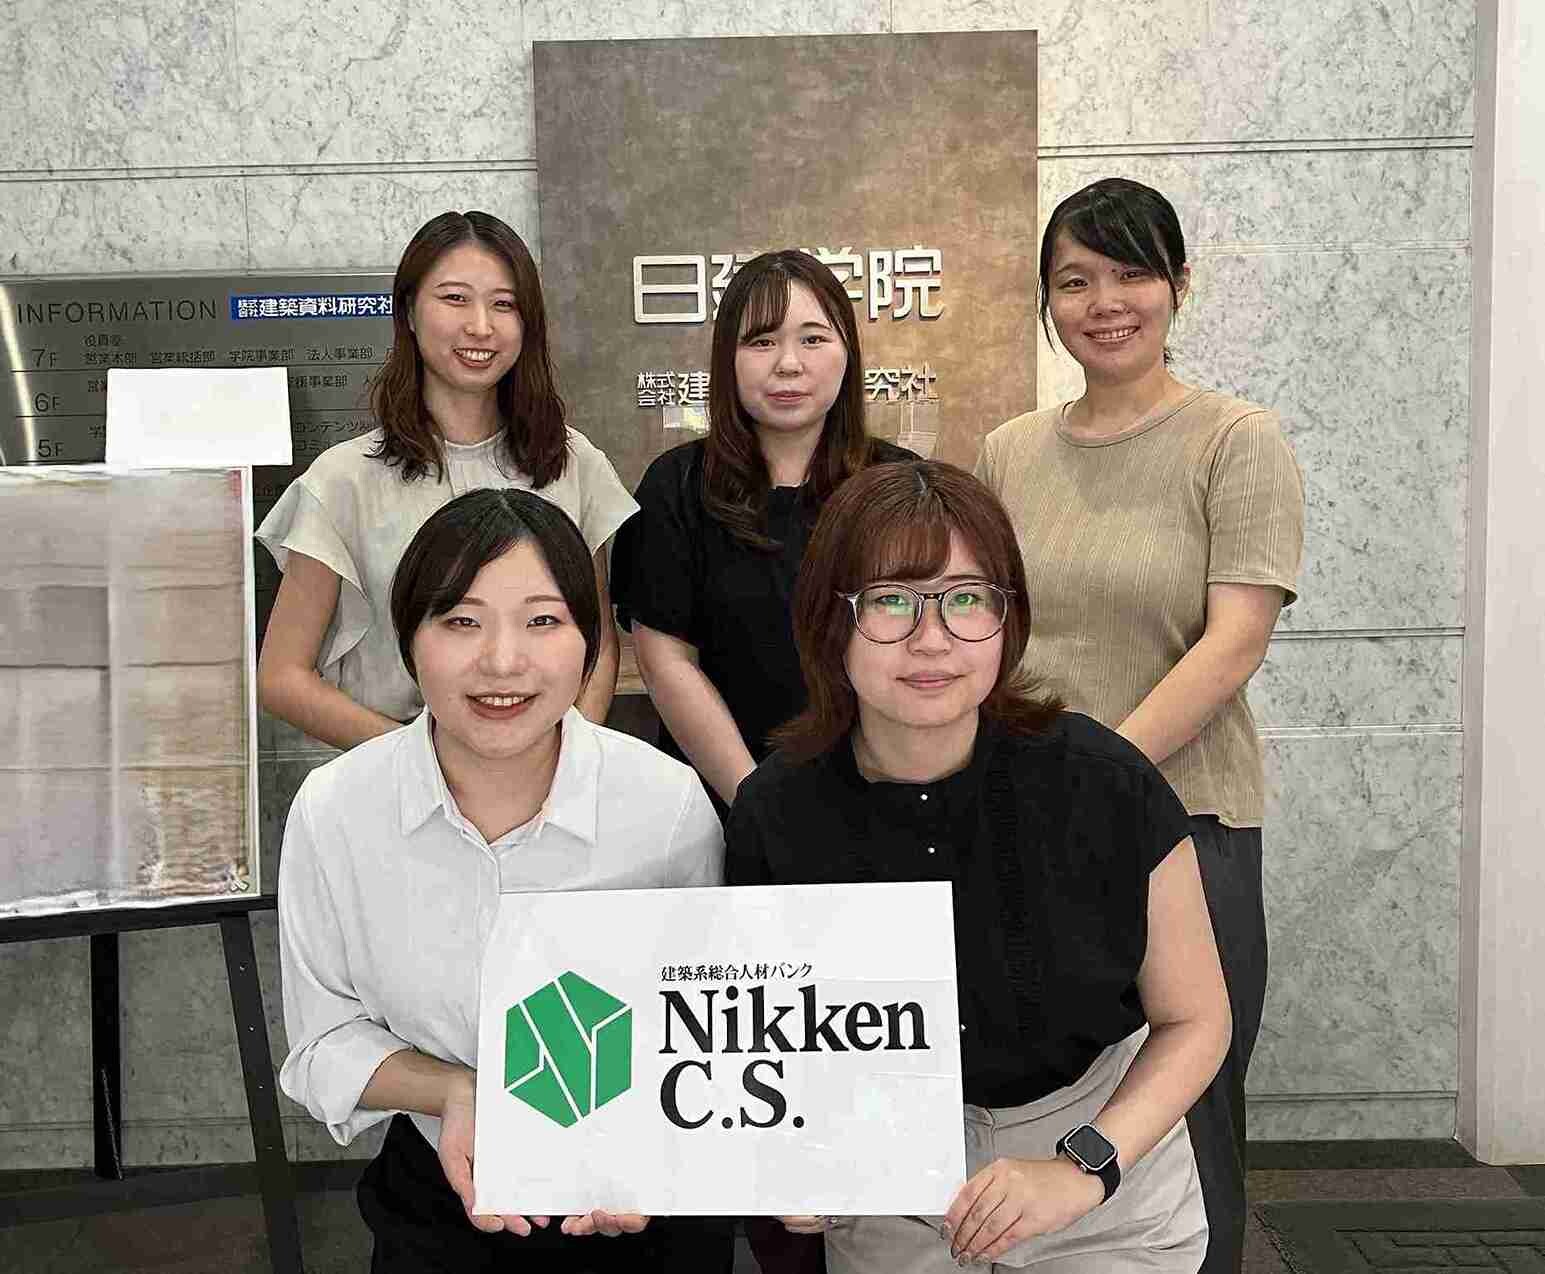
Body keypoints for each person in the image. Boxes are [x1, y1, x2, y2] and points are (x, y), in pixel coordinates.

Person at [727, 460, 1231, 1273]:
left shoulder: (1104, 780)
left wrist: (1082, 1167)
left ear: (1007, 617)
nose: (931, 639)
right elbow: (764, 1040)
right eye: (889, 600)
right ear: (829, 619)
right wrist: (792, 1159)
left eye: (965, 599)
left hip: (1102, 1179)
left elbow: (1195, 1020)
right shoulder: (774, 810)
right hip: (891, 1191)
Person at [975, 177, 1305, 1274]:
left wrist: (1097, 774)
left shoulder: (1235, 440)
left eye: (1130, 273)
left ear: (1178, 284)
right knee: (1058, 1099)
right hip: (1025, 821)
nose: (1103, 302)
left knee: (1187, 1101)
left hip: (1183, 820)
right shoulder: (1008, 450)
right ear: (1046, 300)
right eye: (1074, 280)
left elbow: (1234, 641)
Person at [276, 489, 723, 1272]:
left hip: (640, 1199)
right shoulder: (338, 809)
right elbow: (321, 1043)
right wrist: (455, 1091)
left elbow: (712, 1023)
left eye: (542, 621)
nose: (502, 661)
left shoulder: (664, 806)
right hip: (439, 1203)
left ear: (589, 644)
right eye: (460, 621)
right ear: (410, 639)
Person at [257, 210, 637, 748]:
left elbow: (596, 644)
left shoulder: (574, 463)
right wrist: (422, 764)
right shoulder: (343, 480)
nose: (480, 326)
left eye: (504, 304)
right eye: (455, 298)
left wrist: (566, 760)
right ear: (409, 311)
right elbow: (282, 678)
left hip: (545, 776)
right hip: (394, 778)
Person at [612, 249, 915, 812]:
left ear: (848, 353)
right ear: (727, 358)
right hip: (719, 798)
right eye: (761, 341)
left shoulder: (897, 483)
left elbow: (917, 647)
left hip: (879, 794)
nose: (788, 363)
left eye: (813, 339)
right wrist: (756, 803)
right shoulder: (676, 486)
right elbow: (666, 662)